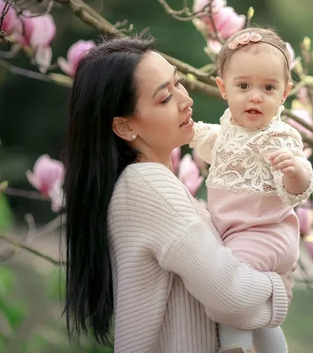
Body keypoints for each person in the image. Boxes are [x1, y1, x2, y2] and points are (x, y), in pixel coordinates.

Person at [61, 35, 294, 353]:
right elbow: (232, 296)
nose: (186, 100)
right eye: (164, 98)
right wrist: (279, 286)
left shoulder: (147, 185)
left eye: (178, 83)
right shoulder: (149, 187)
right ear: (125, 126)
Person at [189, 27, 313, 353]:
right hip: (236, 234)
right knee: (258, 315)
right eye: (243, 86)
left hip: (267, 233)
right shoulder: (229, 130)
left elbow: (296, 192)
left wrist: (296, 171)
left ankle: (234, 346)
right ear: (223, 88)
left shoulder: (278, 137)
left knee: (225, 283)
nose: (255, 96)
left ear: (284, 93)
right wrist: (184, 130)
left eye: (268, 87)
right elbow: (206, 140)